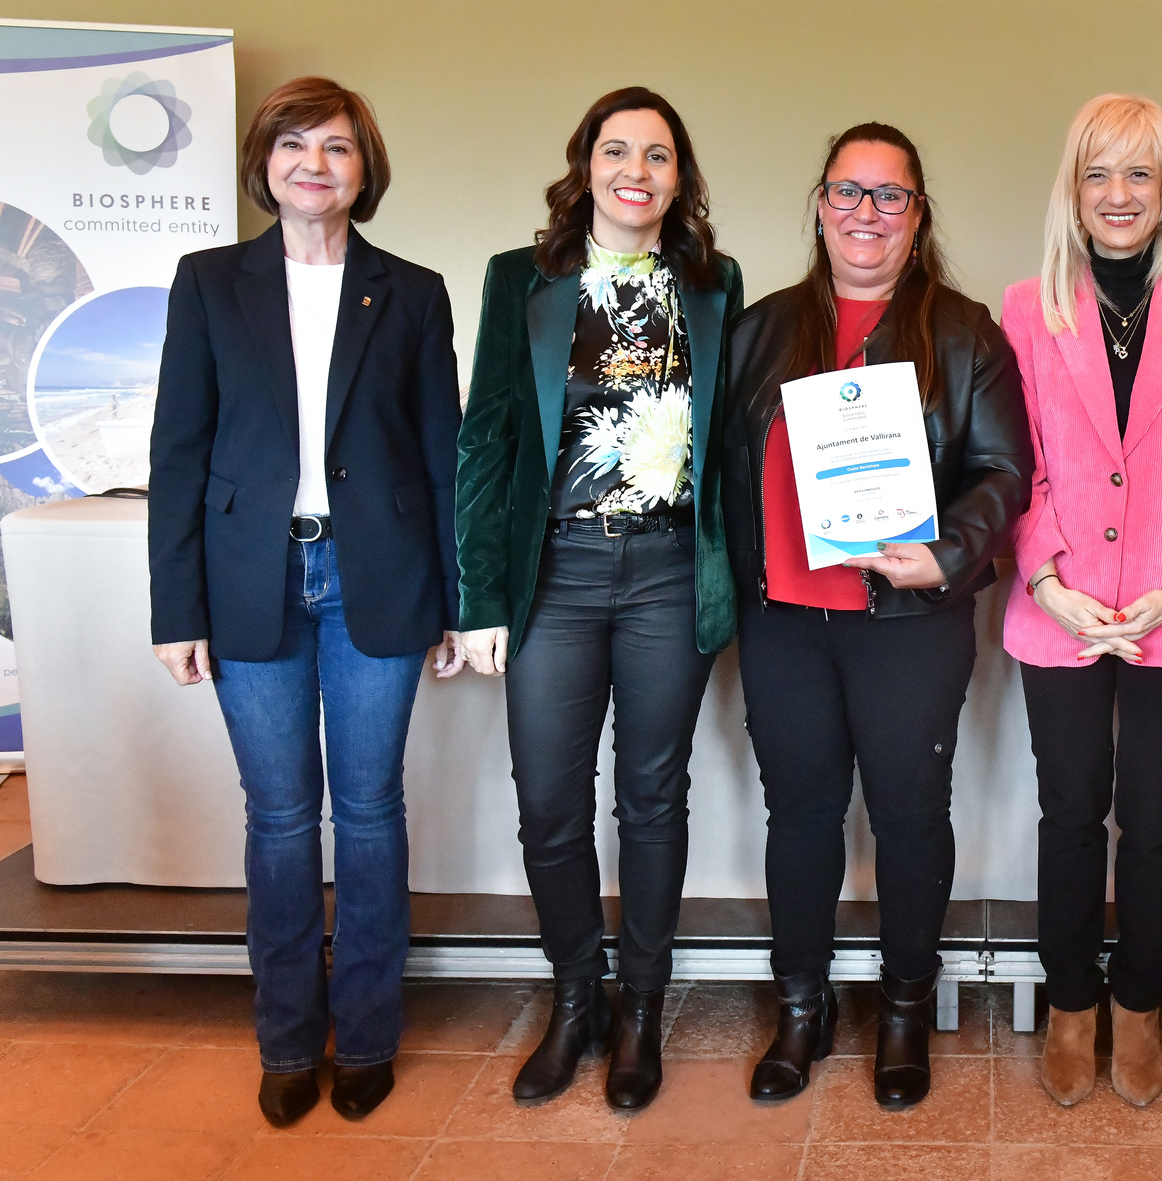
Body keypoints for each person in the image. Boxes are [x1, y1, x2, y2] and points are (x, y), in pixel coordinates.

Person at [149, 76, 464, 1128]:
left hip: (378, 578)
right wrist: (175, 608)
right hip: (252, 580)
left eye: (335, 146)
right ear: (265, 163)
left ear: (364, 168)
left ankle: (366, 1033)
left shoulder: (412, 291)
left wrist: (457, 598)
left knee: (368, 812)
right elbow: (179, 450)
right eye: (293, 144)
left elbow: (443, 455)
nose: (313, 164)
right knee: (280, 817)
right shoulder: (209, 282)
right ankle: (287, 1037)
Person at [722, 122, 1032, 1109]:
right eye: (847, 192)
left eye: (889, 194)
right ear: (820, 205)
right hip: (783, 621)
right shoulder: (757, 331)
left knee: (908, 816)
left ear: (917, 214)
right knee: (800, 815)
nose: (866, 212)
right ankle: (801, 1008)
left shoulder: (965, 332)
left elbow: (1005, 471)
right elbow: (721, 477)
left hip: (908, 622)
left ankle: (904, 1008)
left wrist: (946, 552)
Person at [454, 87, 742, 1113]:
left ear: (679, 177)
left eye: (657, 155)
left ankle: (640, 1007)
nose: (635, 171)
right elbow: (486, 436)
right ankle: (575, 995)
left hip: (668, 570)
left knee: (653, 797)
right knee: (547, 800)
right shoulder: (520, 279)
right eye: (616, 151)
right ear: (585, 167)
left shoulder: (713, 282)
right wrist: (478, 596)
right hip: (556, 574)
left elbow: (733, 436)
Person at [1000, 94, 1162, 1109]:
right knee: (1069, 812)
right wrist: (1046, 577)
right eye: (1097, 173)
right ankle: (1071, 1003)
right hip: (1058, 606)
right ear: (1072, 191)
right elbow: (1013, 461)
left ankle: (1140, 1003)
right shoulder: (1025, 308)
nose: (1118, 194)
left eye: (1138, 172)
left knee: (1154, 817)